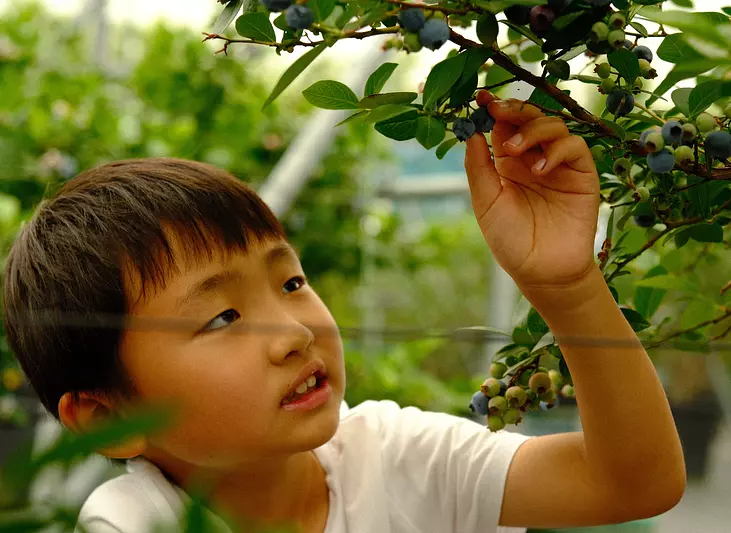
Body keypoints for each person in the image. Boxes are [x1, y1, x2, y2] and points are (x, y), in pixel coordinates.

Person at [2, 90, 686, 533]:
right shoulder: (132, 522)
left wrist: (568, 286)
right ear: (109, 419)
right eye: (223, 318)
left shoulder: (396, 455)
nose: (295, 332)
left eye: (292, 281)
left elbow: (631, 481)